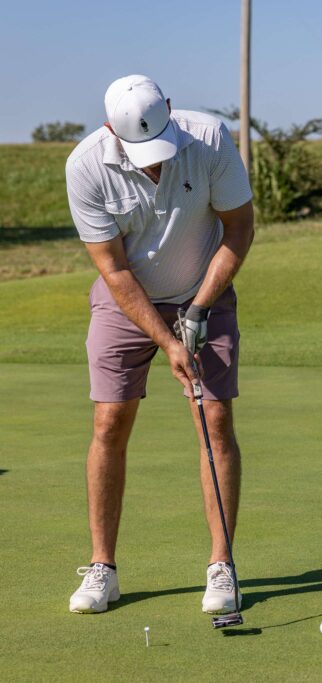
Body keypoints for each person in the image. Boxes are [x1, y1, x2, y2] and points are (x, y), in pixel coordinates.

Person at [64, 75, 255, 615]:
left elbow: (239, 229)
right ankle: (103, 568)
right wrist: (168, 341)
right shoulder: (86, 166)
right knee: (109, 422)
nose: (155, 165)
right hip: (126, 300)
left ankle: (221, 564)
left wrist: (199, 308)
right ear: (110, 129)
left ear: (170, 108)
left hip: (203, 290)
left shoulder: (209, 139)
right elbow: (114, 271)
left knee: (214, 418)